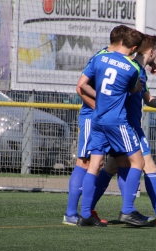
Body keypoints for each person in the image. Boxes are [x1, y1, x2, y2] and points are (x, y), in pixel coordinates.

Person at [91, 34, 156, 226]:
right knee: (147, 165)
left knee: (111, 167)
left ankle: (88, 210)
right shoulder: (134, 70)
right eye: (155, 53)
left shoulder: (134, 69)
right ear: (150, 52)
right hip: (128, 126)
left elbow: (147, 98)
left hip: (115, 124)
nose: (155, 56)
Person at [62, 25, 135, 226]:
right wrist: (100, 107)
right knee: (85, 162)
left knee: (117, 163)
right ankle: (71, 214)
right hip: (92, 116)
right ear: (122, 42)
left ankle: (127, 209)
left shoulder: (117, 59)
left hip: (108, 119)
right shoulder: (102, 56)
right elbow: (80, 87)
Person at [77, 27, 149, 227]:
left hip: (97, 119)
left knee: (94, 165)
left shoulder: (100, 58)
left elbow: (82, 85)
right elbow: (133, 89)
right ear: (134, 48)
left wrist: (101, 98)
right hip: (117, 121)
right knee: (138, 163)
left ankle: (85, 214)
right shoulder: (132, 67)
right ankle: (127, 211)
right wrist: (136, 88)